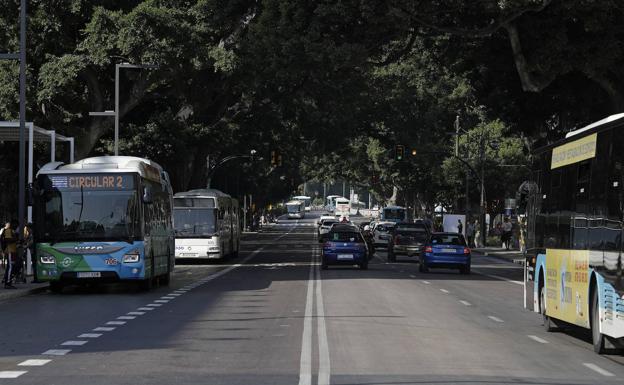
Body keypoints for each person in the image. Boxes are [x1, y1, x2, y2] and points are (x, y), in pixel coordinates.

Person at [2, 220, 18, 289]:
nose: (16, 226)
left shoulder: (12, 231)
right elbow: (7, 240)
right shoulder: (8, 230)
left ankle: (8, 281)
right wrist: (16, 239)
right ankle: (7, 283)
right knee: (10, 267)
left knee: (11, 266)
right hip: (9, 250)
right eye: (16, 224)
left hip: (12, 250)